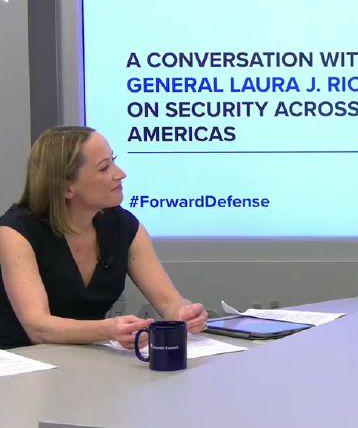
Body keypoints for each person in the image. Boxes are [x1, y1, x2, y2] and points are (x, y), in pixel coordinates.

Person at [0, 126, 208, 349]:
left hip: (88, 357)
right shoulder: (16, 232)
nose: (120, 174)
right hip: (22, 359)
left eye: (113, 161)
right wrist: (109, 330)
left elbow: (168, 301)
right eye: (104, 168)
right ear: (67, 188)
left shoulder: (122, 225)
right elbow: (38, 328)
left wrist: (184, 313)